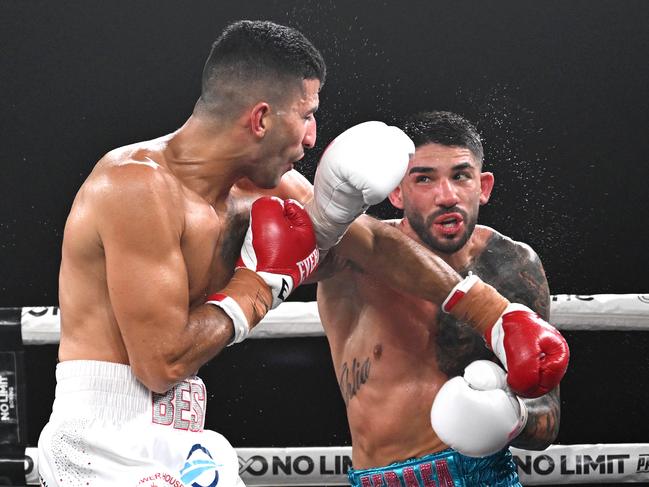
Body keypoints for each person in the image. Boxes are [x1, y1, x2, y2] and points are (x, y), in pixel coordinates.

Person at [316, 111, 564, 486]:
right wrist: (329, 204)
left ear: (483, 186)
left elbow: (547, 416)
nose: (446, 196)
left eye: (460, 176)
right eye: (424, 179)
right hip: (385, 478)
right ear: (396, 192)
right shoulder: (355, 256)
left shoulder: (511, 263)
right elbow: (287, 252)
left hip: (490, 476)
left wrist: (510, 419)